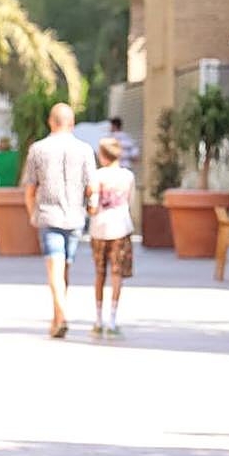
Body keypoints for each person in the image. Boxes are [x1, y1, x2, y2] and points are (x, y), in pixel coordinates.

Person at [23, 103, 96, 338]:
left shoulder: (38, 149)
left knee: (55, 268)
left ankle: (60, 316)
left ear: (50, 122)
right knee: (65, 268)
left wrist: (32, 212)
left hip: (48, 214)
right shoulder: (85, 150)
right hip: (75, 217)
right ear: (72, 123)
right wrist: (90, 206)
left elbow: (30, 188)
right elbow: (92, 186)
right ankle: (57, 318)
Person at [88, 137, 135, 336]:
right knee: (117, 274)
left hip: (99, 229)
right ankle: (113, 320)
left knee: (100, 273)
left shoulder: (96, 176)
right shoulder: (128, 176)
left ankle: (98, 320)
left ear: (102, 155)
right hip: (121, 228)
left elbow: (92, 204)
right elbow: (130, 202)